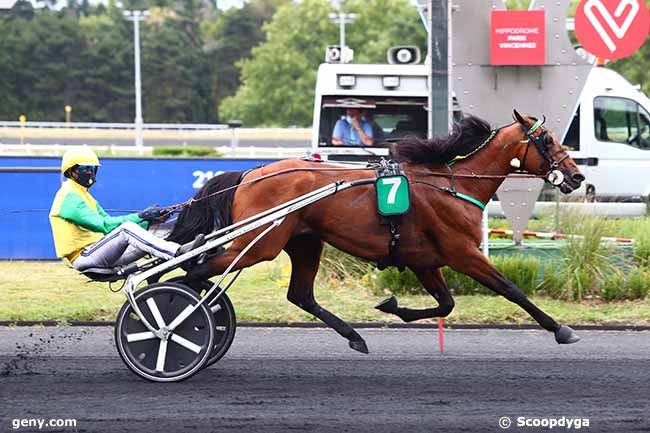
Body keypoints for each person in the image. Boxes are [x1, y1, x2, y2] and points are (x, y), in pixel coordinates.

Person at [49, 148, 205, 273]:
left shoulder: (83, 194)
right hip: (84, 257)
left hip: (100, 252)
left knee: (157, 229)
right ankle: (179, 253)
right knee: (126, 229)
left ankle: (199, 254)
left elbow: (109, 226)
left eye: (93, 168)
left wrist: (149, 220)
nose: (90, 172)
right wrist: (141, 215)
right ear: (71, 171)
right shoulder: (69, 195)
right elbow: (105, 226)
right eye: (85, 168)